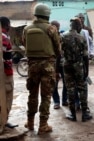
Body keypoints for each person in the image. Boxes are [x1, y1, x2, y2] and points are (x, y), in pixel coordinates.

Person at [22, 3, 60, 134]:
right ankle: (43, 125)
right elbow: (58, 48)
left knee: (32, 95)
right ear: (47, 14)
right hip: (48, 67)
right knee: (46, 96)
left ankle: (30, 122)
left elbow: (24, 43)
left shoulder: (27, 29)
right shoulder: (51, 29)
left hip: (32, 66)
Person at [61, 17, 92, 122]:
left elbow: (59, 55)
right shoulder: (81, 38)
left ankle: (72, 114)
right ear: (78, 26)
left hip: (67, 65)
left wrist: (58, 68)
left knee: (70, 89)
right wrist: (86, 70)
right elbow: (85, 56)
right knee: (82, 89)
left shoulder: (63, 37)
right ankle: (84, 114)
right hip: (79, 66)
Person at [0, 16, 18, 129]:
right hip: (5, 73)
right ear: (7, 25)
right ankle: (3, 122)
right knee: (7, 97)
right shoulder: (4, 37)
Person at [50, 20, 68, 109]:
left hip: (63, 63)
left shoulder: (62, 37)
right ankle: (56, 102)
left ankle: (65, 100)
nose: (57, 29)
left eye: (58, 27)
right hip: (53, 64)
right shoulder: (48, 39)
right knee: (54, 84)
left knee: (66, 83)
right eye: (56, 27)